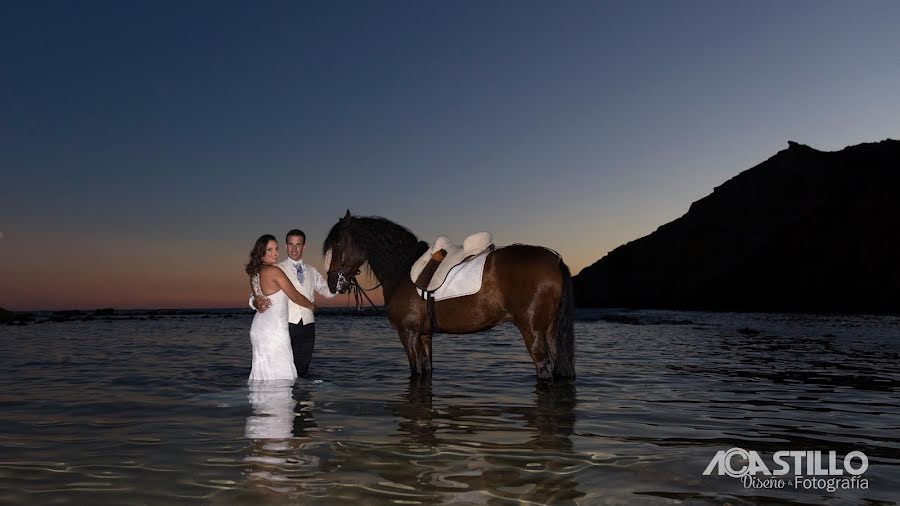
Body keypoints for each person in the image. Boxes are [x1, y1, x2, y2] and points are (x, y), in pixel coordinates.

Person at [253, 229, 335, 377]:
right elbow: (255, 294)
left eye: (298, 245)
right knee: (285, 370)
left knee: (303, 370)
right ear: (285, 246)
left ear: (304, 247)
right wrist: (255, 302)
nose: (294, 249)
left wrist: (335, 275)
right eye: (291, 244)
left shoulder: (312, 271)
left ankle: (302, 399)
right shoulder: (276, 268)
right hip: (286, 325)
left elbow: (329, 292)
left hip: (308, 327)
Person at [245, 234, 314, 382]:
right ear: (261, 252)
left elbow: (256, 296)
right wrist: (312, 307)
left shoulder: (255, 273)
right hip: (274, 330)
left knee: (264, 374)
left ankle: (266, 403)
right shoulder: (274, 271)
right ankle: (280, 403)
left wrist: (255, 302)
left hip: (260, 328)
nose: (275, 253)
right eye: (269, 250)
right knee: (282, 374)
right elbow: (294, 296)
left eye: (276, 249)